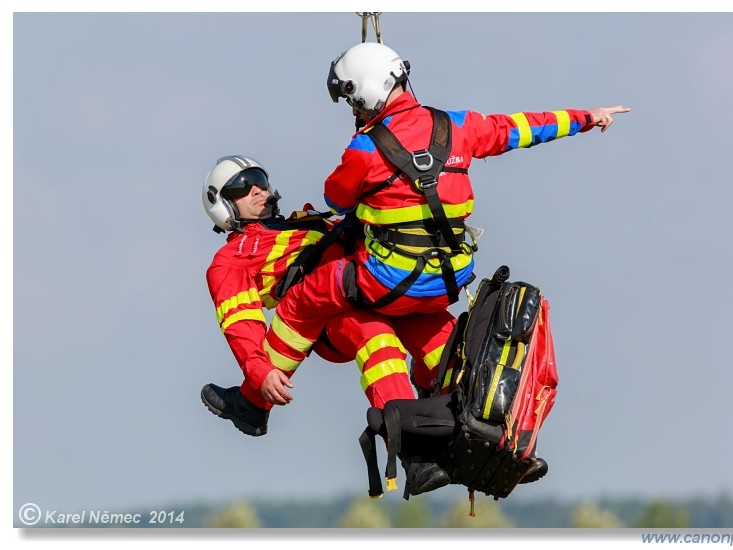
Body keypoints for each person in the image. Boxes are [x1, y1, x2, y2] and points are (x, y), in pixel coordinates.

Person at [257, 41, 630, 401]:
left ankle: (259, 394)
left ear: (363, 95)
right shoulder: (458, 126)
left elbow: (334, 199)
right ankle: (436, 406)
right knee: (436, 342)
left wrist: (363, 142)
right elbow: (520, 128)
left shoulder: (365, 148)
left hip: (387, 280)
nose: (354, 110)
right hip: (447, 279)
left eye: (353, 102)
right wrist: (586, 117)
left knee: (305, 297)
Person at [199, 154, 457, 469]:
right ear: (222, 205)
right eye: (241, 187)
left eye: (260, 181)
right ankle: (415, 455)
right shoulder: (230, 259)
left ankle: (474, 428)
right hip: (328, 319)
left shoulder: (305, 220)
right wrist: (259, 372)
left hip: (375, 288)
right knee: (374, 335)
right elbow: (240, 320)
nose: (256, 190)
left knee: (447, 342)